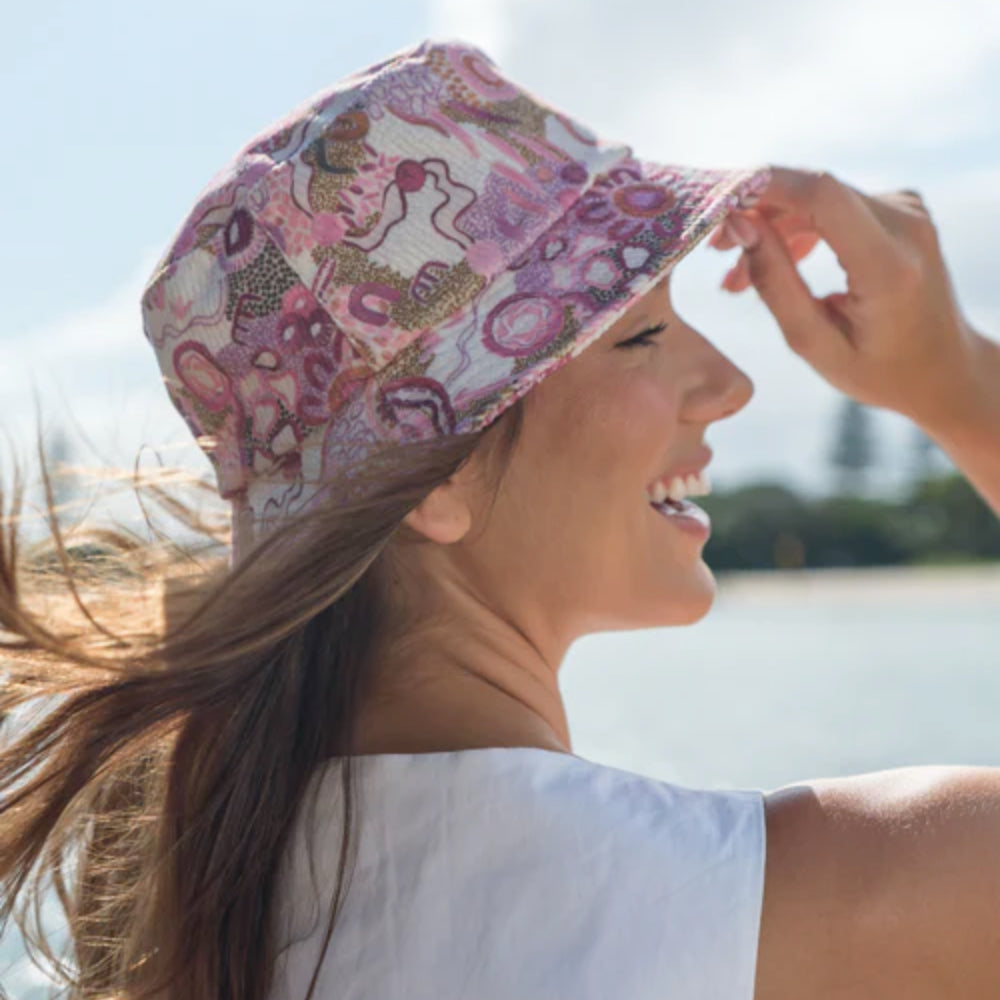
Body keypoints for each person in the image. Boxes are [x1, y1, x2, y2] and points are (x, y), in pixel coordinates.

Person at [1, 36, 999, 1000]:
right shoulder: (843, 901)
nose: (730, 383)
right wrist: (958, 386)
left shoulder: (201, 913)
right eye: (642, 334)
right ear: (433, 473)